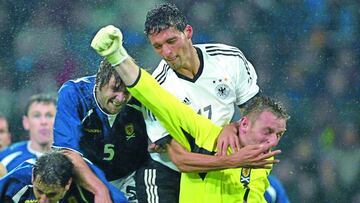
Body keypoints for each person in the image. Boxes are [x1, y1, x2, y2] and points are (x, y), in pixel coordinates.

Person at [90, 24, 290, 202]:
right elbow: (152, 94)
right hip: (163, 172)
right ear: (244, 124)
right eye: (268, 131)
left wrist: (232, 128)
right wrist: (116, 55)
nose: (272, 141)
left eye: (278, 134)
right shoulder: (205, 135)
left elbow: (254, 106)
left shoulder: (262, 166)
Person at [141, 3, 266, 202]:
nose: (167, 52)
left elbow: (257, 113)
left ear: (188, 32)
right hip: (171, 173)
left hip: (220, 166)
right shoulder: (156, 90)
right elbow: (181, 160)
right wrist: (232, 161)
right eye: (157, 46)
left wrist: (232, 128)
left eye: (171, 41)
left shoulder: (229, 60)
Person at [53, 58, 149, 203]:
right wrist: (100, 189)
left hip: (130, 176)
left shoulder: (141, 95)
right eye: (115, 89)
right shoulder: (74, 94)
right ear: (99, 81)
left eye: (126, 91)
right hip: (86, 179)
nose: (121, 98)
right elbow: (67, 152)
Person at [0, 150, 127, 203]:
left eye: (51, 195)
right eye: (39, 191)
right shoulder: (16, 181)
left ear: (68, 184)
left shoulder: (92, 190)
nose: (43, 201)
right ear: (33, 177)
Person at [0, 93, 56, 177]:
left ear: (58, 120)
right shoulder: (6, 157)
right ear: (26, 122)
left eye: (49, 115)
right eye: (37, 116)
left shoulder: (73, 158)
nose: (43, 122)